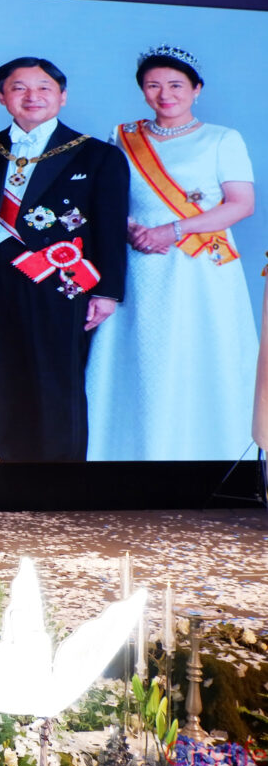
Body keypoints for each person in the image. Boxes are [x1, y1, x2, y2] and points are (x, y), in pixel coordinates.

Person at [0, 56, 129, 461]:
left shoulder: (97, 155)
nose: (32, 97)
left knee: (58, 381)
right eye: (19, 88)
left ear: (63, 96)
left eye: (44, 88)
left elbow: (111, 227)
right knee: (4, 379)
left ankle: (62, 482)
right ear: (1, 96)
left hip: (62, 281)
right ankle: (14, 477)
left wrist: (108, 292)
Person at [87, 45, 257, 460]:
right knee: (144, 355)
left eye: (176, 85)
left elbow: (241, 204)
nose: (165, 94)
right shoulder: (123, 136)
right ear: (142, 90)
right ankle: (133, 455)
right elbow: (107, 197)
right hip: (140, 259)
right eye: (153, 85)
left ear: (197, 89)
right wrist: (130, 228)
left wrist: (173, 230)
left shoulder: (222, 138)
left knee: (201, 351)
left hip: (200, 265)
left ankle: (214, 456)